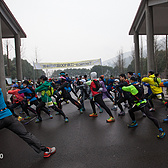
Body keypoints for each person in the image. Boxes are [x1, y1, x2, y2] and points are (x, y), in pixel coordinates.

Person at [0, 88, 56, 158]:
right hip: (7, 116)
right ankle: (46, 150)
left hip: (7, 115)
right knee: (25, 135)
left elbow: (11, 91)